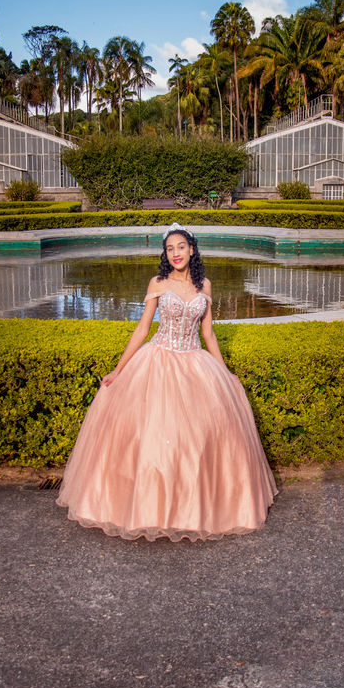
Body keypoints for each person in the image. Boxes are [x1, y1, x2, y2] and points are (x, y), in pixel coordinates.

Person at [56, 223, 278, 542]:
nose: (175, 253)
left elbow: (208, 334)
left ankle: (194, 510)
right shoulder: (157, 283)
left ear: (192, 249)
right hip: (158, 360)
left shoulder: (206, 286)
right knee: (153, 440)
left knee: (198, 440)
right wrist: (119, 370)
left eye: (181, 247)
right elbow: (142, 329)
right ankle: (149, 510)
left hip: (195, 361)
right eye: (170, 248)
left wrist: (225, 372)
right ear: (166, 253)